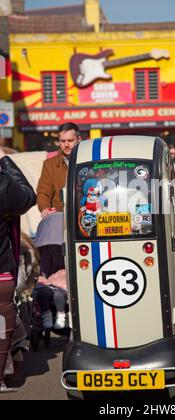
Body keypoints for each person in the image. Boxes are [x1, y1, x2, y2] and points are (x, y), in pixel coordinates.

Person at [36, 122, 81, 329]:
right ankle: (53, 294)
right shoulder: (50, 165)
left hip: (82, 218)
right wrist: (44, 208)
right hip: (58, 219)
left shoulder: (87, 161)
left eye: (70, 140)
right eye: (62, 141)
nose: (66, 145)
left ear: (78, 139)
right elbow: (43, 192)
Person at [0, 147, 36, 392]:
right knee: (3, 324)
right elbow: (27, 197)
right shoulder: (2, 183)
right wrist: (5, 160)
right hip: (1, 271)